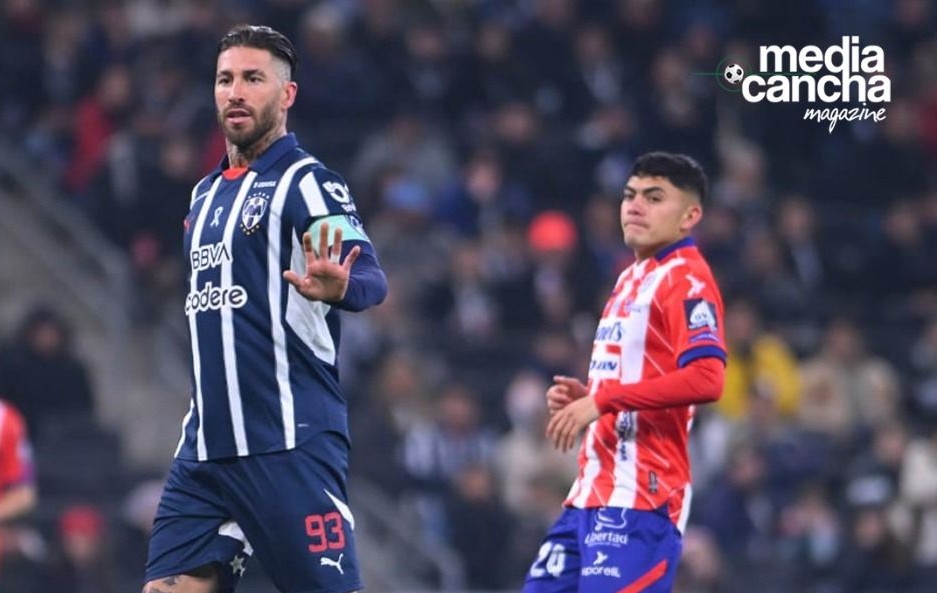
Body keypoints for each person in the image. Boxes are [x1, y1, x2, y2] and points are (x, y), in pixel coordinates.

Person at [143, 25, 387, 593]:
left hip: (286, 442)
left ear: (287, 94)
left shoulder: (307, 183)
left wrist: (341, 288)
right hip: (204, 450)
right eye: (225, 79)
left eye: (253, 79)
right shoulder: (203, 196)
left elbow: (371, 278)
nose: (235, 92)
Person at [525, 152, 726, 593]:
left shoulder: (686, 279)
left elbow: (708, 378)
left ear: (690, 216)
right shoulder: (630, 277)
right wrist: (591, 395)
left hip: (641, 498)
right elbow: (641, 377)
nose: (635, 206)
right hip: (589, 494)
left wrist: (603, 400)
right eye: (629, 195)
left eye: (654, 198)